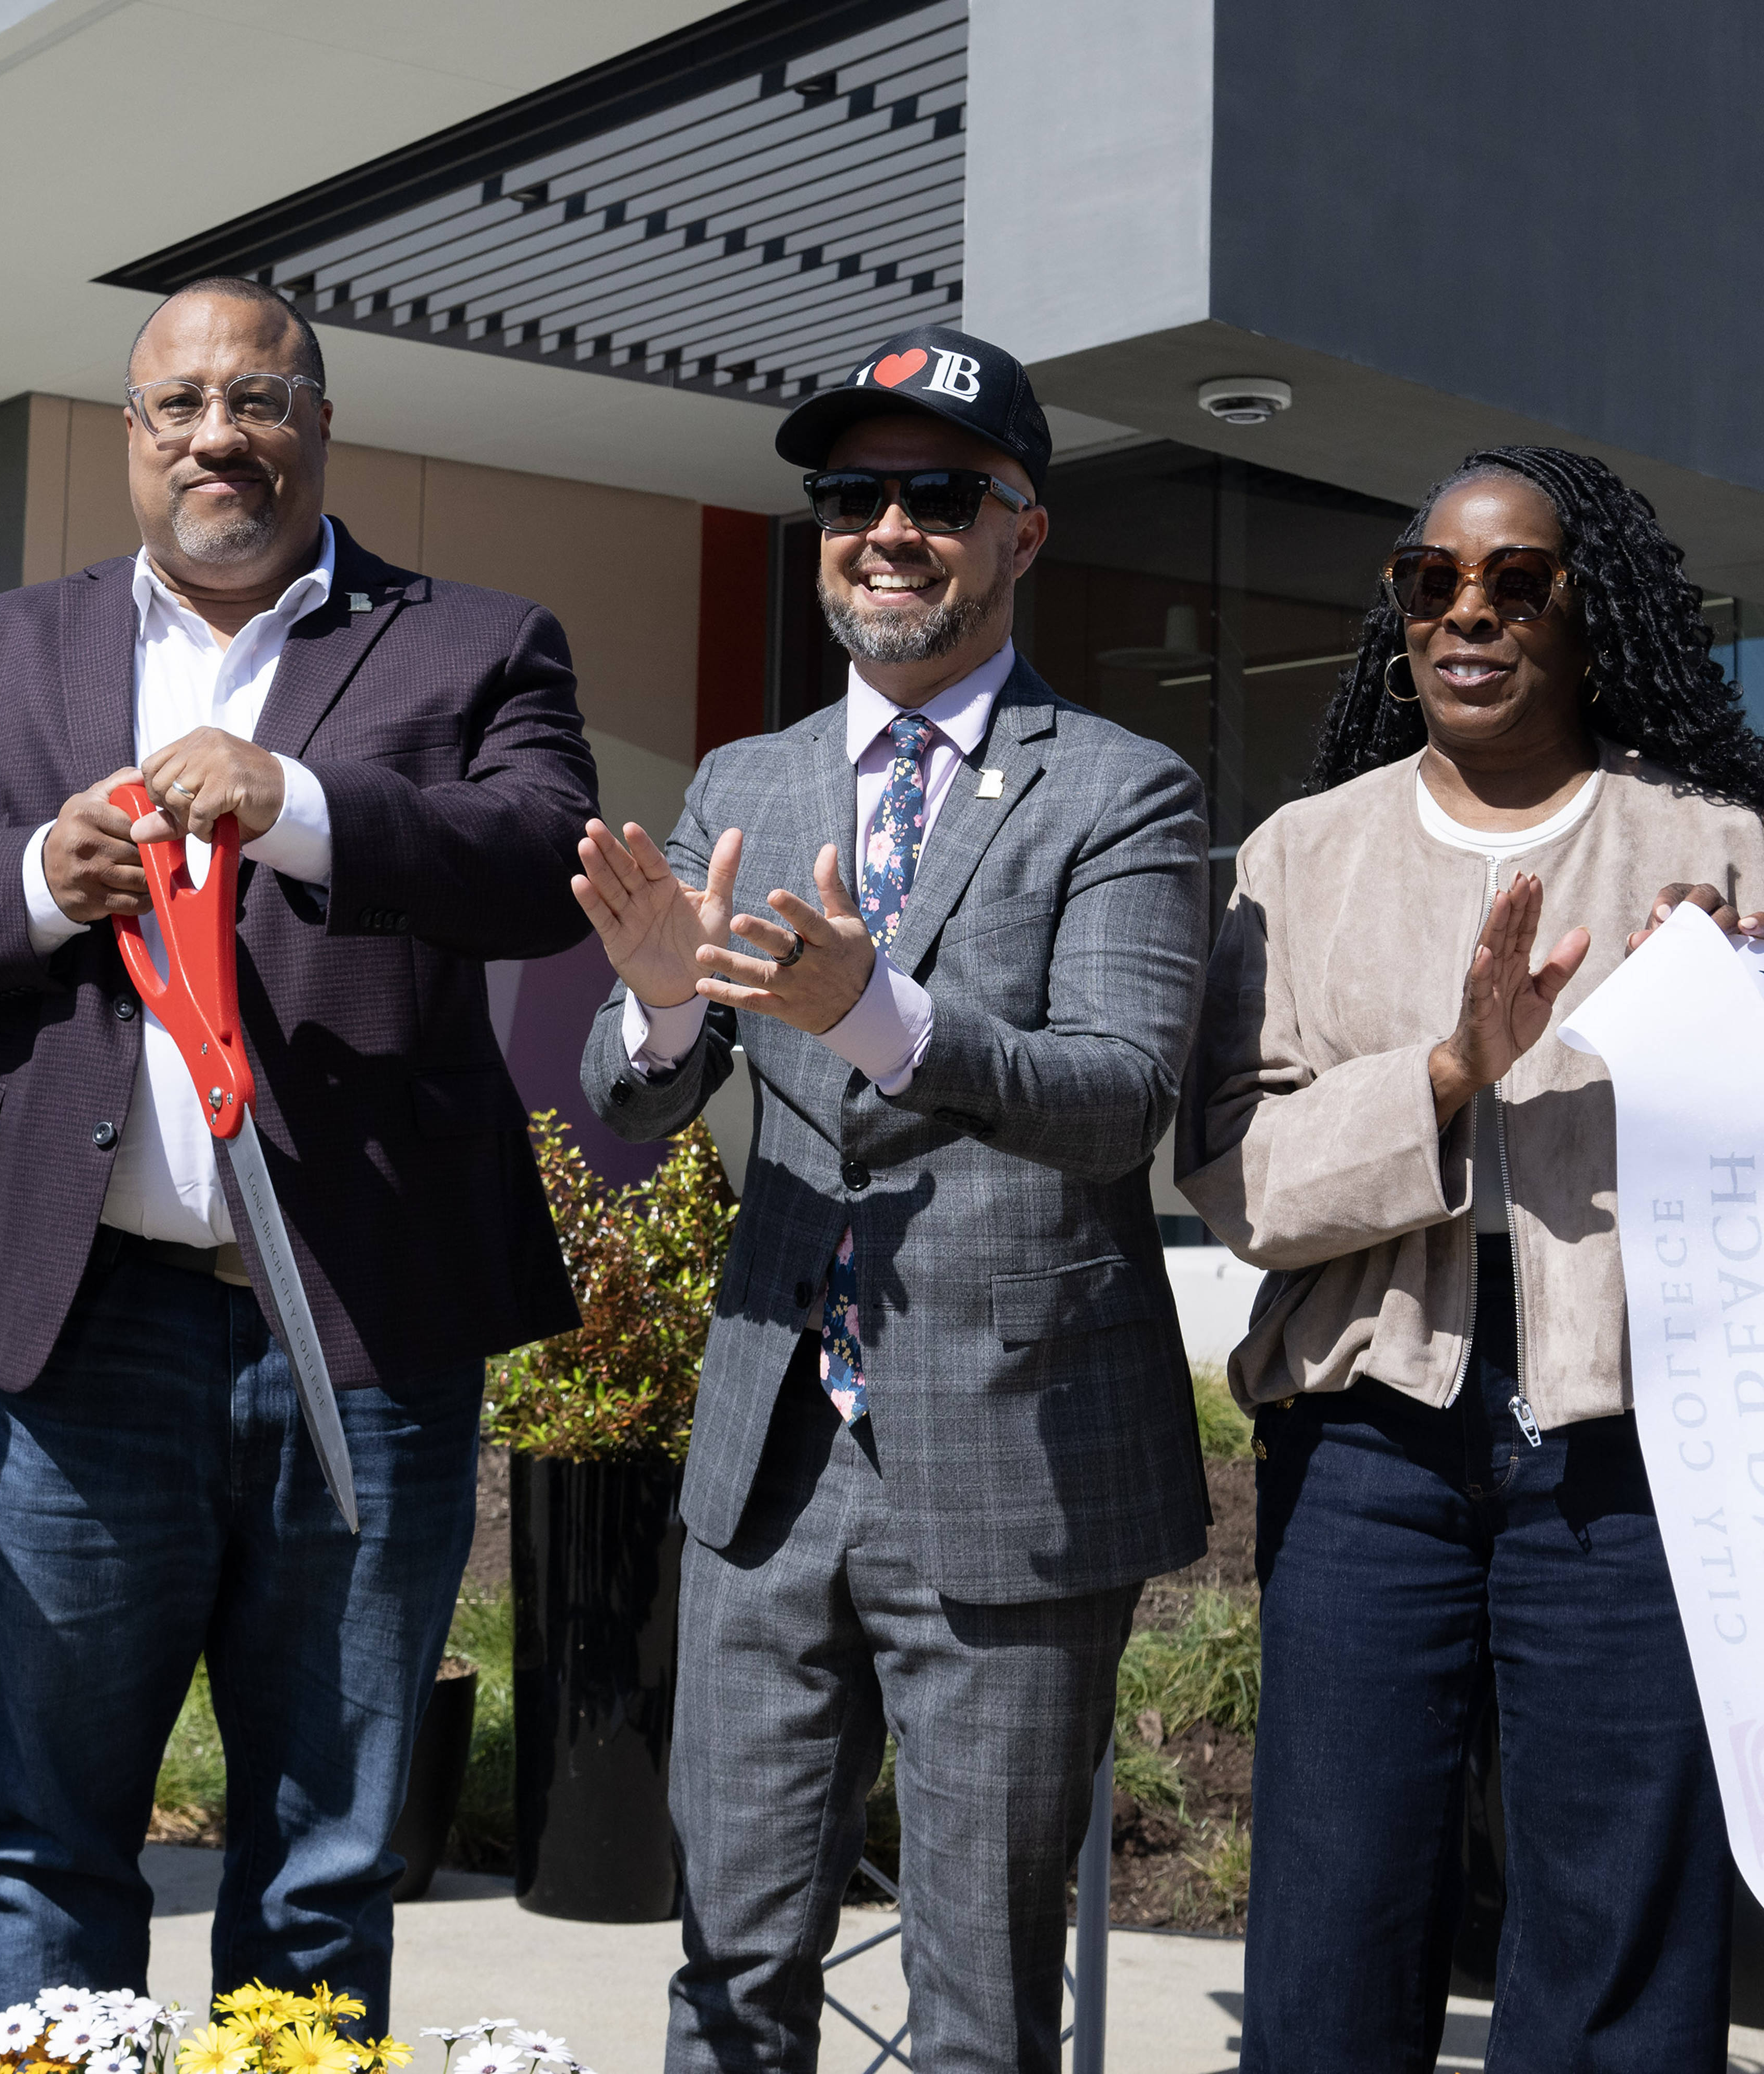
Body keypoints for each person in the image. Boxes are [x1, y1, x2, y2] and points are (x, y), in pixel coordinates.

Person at [0, 276, 597, 2023]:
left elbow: (542, 852)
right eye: (178, 405)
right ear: (130, 436)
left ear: (321, 424)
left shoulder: (474, 642)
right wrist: (36, 881)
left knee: (329, 1843)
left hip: (362, 1332)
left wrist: (299, 804)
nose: (216, 435)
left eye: (256, 399)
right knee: (44, 1829)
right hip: (81, 1326)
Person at [573, 325, 1211, 2074]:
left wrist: (875, 1009)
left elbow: (1122, 1099)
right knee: (729, 1977)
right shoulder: (743, 785)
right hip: (771, 1461)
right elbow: (634, 1103)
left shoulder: (1124, 789)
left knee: (979, 2013)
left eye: (941, 492)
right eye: (855, 494)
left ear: (1024, 533)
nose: (891, 527)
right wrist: (664, 1006)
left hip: (1015, 1465)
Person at [1178, 446, 1764, 2069]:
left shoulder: (1717, 849)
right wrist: (1446, 1076)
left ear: (1599, 615)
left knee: (1621, 1937)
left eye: (1520, 583)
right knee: (1335, 1905)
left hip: (1637, 1435)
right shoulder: (1300, 857)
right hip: (1368, 1426)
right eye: (1432, 582)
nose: (1470, 613)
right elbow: (1234, 1179)